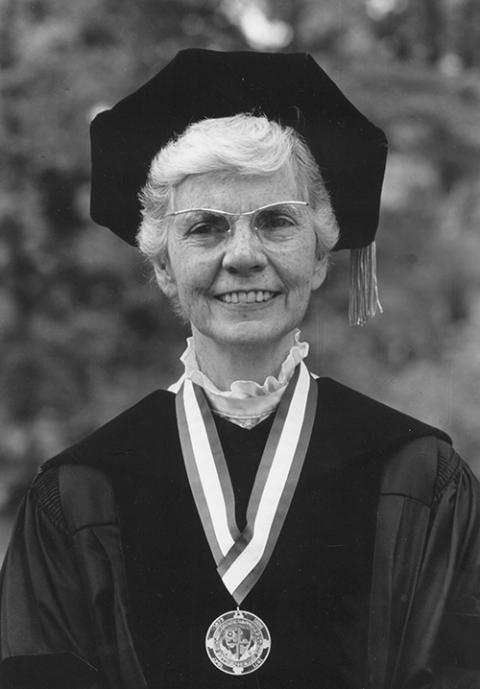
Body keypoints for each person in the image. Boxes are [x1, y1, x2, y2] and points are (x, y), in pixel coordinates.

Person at [1, 49, 479, 689]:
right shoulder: (79, 491)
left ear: (318, 256)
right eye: (204, 228)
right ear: (164, 267)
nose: (244, 257)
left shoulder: (421, 475)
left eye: (278, 222)